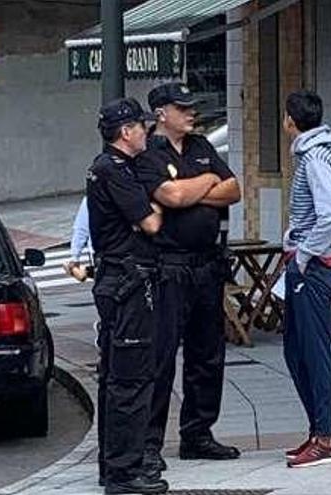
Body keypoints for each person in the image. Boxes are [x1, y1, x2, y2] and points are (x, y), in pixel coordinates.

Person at [135, 82, 242, 472]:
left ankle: (197, 435)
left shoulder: (200, 147)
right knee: (160, 356)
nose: (192, 113)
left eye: (192, 107)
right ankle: (149, 444)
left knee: (208, 354)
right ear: (161, 113)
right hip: (169, 267)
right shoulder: (146, 152)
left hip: (207, 263)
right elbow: (170, 198)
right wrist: (203, 185)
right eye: (183, 108)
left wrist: (190, 191)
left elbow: (233, 189)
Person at [87, 97, 168, 495]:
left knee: (117, 378)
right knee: (131, 379)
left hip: (119, 279)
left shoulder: (110, 168)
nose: (145, 133)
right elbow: (151, 221)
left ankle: (114, 467)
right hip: (129, 280)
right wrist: (156, 202)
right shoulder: (114, 170)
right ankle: (123, 473)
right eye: (140, 127)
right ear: (125, 132)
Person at [280, 90, 331, 468]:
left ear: (290, 121)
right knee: (296, 352)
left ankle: (325, 438)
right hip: (307, 264)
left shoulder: (315, 157)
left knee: (313, 353)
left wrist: (304, 255)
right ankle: (318, 431)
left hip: (314, 267)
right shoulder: (314, 153)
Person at [66, 196, 92, 282]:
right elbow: (81, 229)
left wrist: (75, 257)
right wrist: (74, 257)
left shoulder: (92, 198)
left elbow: (81, 229)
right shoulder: (91, 199)